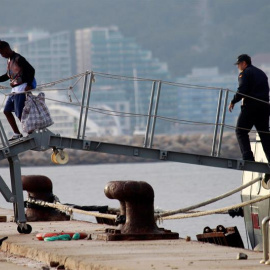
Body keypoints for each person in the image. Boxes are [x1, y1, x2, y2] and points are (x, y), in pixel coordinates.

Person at [228, 54, 270, 162]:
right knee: (264, 135)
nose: (238, 67)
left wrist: (233, 101)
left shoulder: (245, 73)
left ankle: (248, 158)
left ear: (244, 63)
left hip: (251, 107)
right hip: (265, 106)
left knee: (240, 131)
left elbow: (242, 90)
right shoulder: (261, 73)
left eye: (238, 64)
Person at [0, 41, 35, 141]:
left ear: (6, 49)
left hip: (22, 88)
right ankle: (17, 133)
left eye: (1, 53)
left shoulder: (19, 58)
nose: (1, 55)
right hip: (14, 89)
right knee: (6, 111)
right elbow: (8, 75)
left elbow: (31, 70)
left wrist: (28, 85)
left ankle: (30, 132)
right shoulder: (9, 61)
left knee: (19, 113)